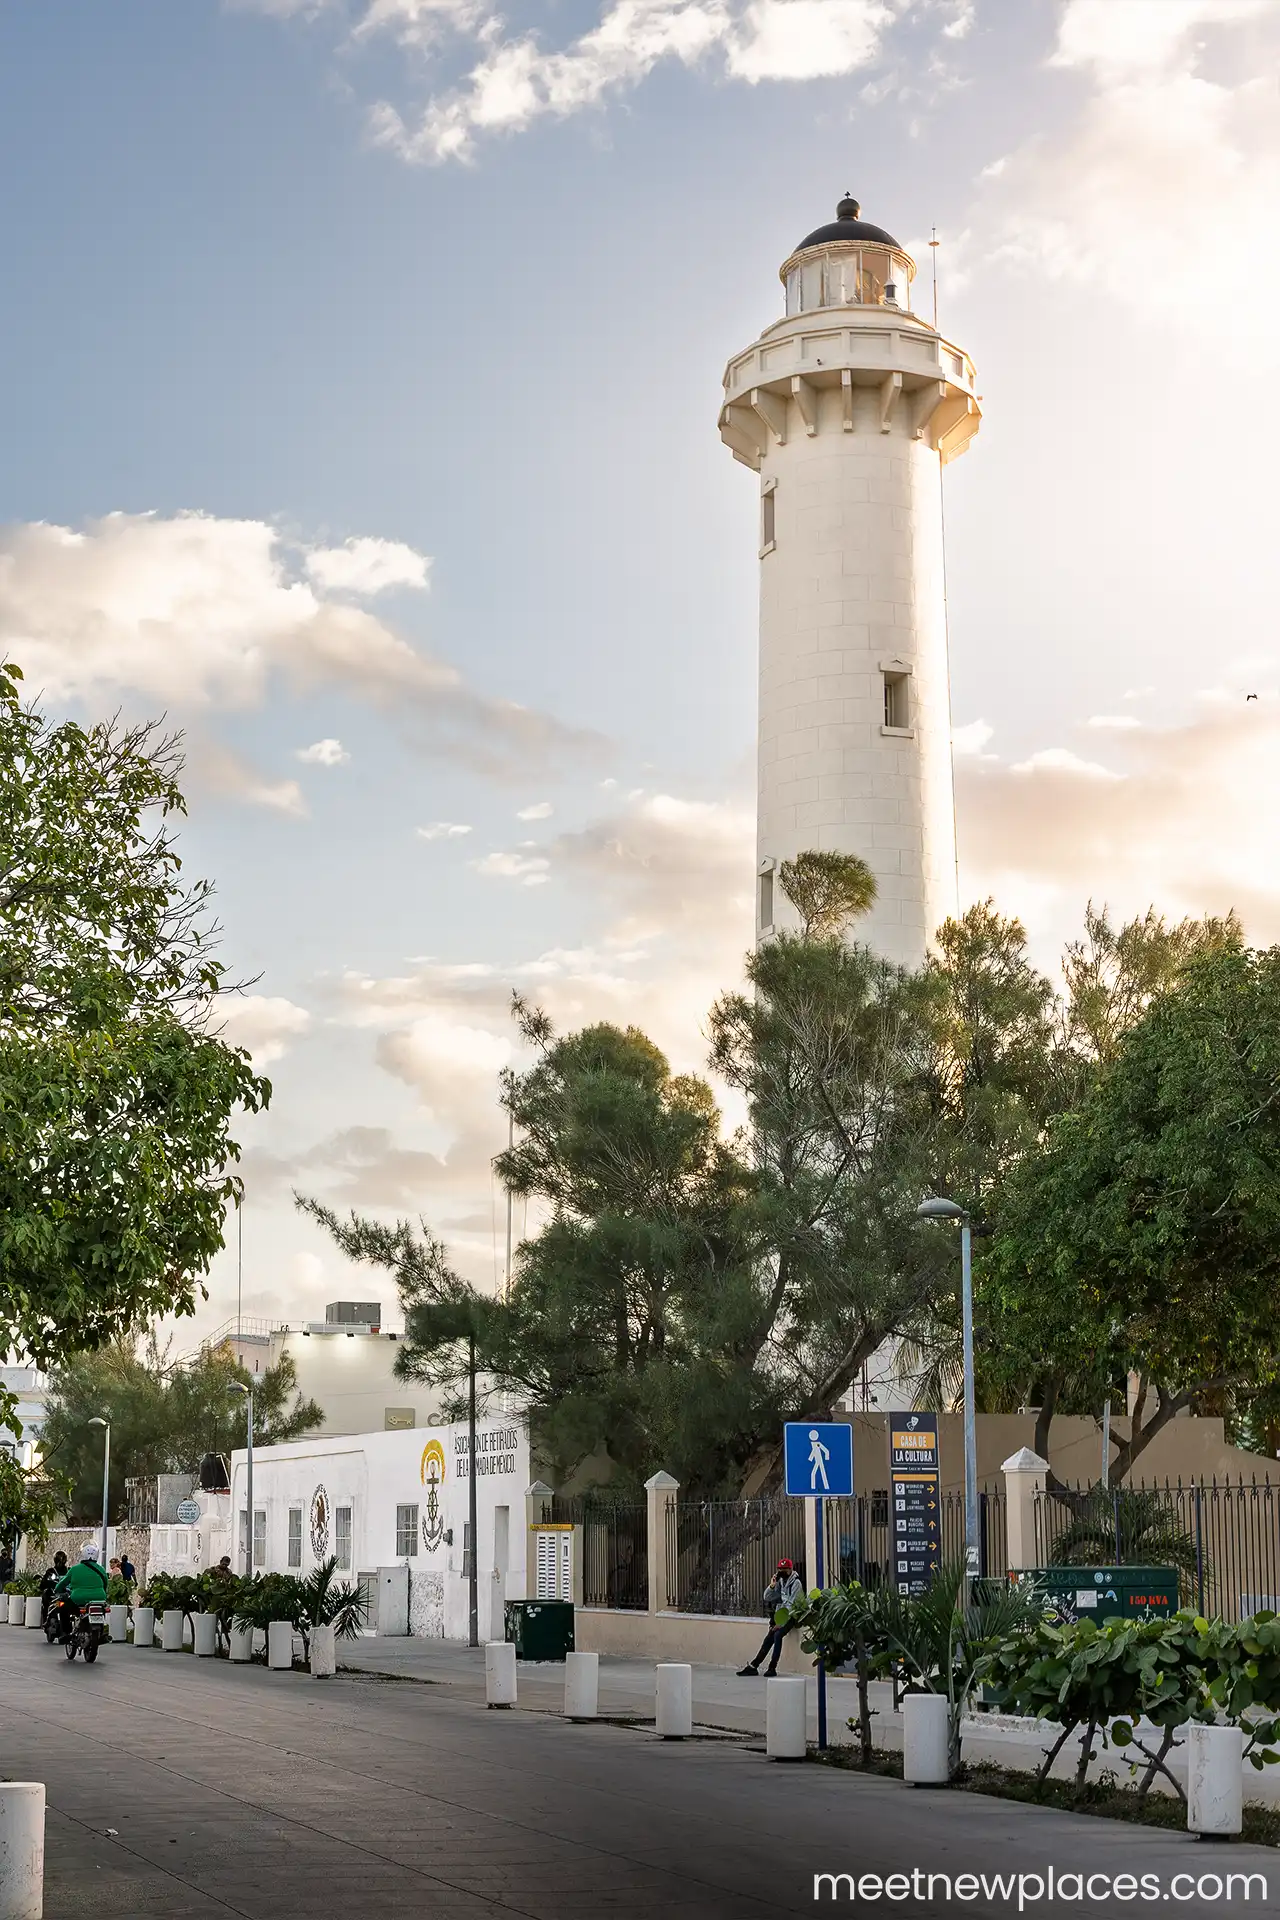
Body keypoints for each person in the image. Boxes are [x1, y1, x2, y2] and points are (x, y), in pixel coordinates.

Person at [737, 1559, 803, 1677]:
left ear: (790, 1569)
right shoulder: (781, 1582)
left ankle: (772, 1667)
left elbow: (792, 1605)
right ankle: (753, 1666)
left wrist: (781, 1623)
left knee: (778, 1635)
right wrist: (772, 1586)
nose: (782, 1571)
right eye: (780, 1569)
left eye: (784, 1569)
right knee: (769, 1638)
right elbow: (767, 1597)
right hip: (781, 1615)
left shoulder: (796, 1583)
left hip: (792, 1615)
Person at [52, 1543, 110, 1634]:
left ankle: (66, 1634)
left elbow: (63, 1583)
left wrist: (56, 1590)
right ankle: (101, 1633)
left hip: (78, 1600)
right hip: (99, 1599)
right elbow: (106, 1584)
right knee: (101, 1611)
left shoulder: (74, 1569)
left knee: (63, 1609)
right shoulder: (101, 1569)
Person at [39, 1550, 68, 1625]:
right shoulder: (67, 1571)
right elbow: (44, 1583)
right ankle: (46, 1620)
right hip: (64, 1596)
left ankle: (45, 1620)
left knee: (46, 1597)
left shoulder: (51, 1571)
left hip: (58, 1596)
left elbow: (43, 1584)